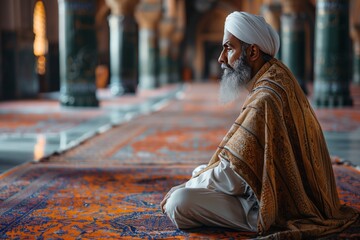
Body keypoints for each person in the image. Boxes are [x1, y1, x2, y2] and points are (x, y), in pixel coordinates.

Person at [160, 11, 359, 239]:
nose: (221, 58)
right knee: (202, 174)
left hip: (282, 207)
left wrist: (188, 185)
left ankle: (261, 218)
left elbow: (233, 176)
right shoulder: (277, 75)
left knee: (179, 203)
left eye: (229, 48)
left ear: (252, 51)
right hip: (287, 190)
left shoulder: (265, 97)